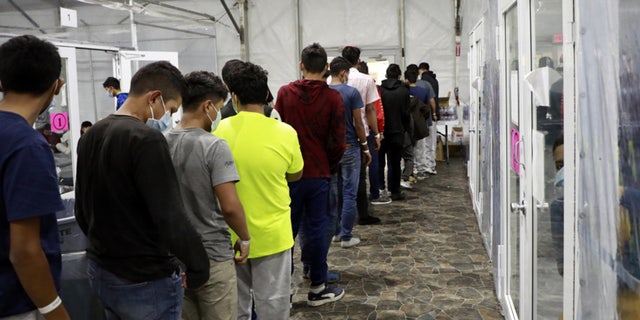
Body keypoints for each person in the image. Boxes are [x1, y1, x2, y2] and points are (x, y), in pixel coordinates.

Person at [75, 61, 210, 319]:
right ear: (154, 98)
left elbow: (82, 208)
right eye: (169, 109)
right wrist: (198, 267)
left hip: (102, 268)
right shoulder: (146, 139)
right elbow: (170, 216)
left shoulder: (93, 134)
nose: (165, 117)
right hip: (144, 278)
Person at [214, 61, 303, 319]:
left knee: (235, 307)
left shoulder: (218, 131)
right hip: (273, 234)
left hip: (230, 234)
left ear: (234, 96)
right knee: (273, 306)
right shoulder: (285, 132)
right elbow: (295, 173)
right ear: (266, 95)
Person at [164, 71, 251, 320]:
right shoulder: (214, 146)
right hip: (212, 254)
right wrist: (244, 238)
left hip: (175, 256)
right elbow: (230, 206)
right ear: (207, 106)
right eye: (220, 108)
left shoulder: (161, 141)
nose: (219, 114)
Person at [0, 35, 70, 320]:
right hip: (15, 303)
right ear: (56, 86)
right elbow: (25, 251)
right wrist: (55, 311)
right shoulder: (27, 146)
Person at [275, 43, 346, 306]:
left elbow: (277, 130)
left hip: (287, 175)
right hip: (319, 174)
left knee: (286, 233)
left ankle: (284, 290)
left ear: (301, 65)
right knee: (317, 229)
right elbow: (338, 141)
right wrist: (328, 164)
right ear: (327, 68)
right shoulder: (333, 98)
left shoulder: (284, 94)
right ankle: (318, 285)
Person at [328, 56, 371, 248]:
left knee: (334, 193)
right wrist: (365, 146)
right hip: (350, 147)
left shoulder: (324, 93)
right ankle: (346, 236)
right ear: (343, 73)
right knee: (349, 193)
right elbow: (358, 123)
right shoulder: (352, 93)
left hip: (330, 149)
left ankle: (335, 232)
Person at [341, 46, 385, 224]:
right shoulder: (366, 80)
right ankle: (363, 213)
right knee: (360, 175)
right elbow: (370, 109)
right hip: (362, 132)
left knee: (340, 178)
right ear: (358, 61)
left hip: (340, 133)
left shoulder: (331, 79)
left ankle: (342, 217)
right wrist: (376, 133)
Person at [379, 64, 411, 201]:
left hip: (381, 131)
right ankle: (395, 190)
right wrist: (406, 129)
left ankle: (380, 188)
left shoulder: (379, 90)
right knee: (395, 163)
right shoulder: (404, 91)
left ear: (386, 75)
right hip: (397, 130)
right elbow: (406, 113)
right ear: (399, 76)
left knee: (379, 162)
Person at [418, 62, 439, 176]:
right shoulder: (434, 80)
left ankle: (423, 166)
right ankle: (431, 165)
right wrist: (435, 113)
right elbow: (433, 100)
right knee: (431, 142)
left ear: (421, 70)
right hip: (431, 116)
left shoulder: (423, 82)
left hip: (423, 116)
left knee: (422, 143)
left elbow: (431, 100)